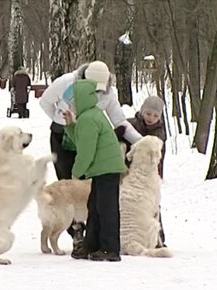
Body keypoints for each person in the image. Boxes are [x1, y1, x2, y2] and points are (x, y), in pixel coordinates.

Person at [39, 60, 143, 257]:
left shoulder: (96, 109)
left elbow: (116, 124)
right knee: (82, 197)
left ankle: (104, 245)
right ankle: (82, 238)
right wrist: (61, 120)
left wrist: (140, 141)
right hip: (65, 134)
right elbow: (45, 102)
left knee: (99, 202)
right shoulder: (67, 83)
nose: (97, 93)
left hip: (95, 149)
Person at [62, 79, 127, 261]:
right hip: (102, 169)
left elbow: (85, 152)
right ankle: (92, 245)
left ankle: (110, 249)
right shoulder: (89, 117)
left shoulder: (88, 119)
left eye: (70, 103)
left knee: (106, 209)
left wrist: (76, 173)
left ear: (78, 101)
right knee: (95, 207)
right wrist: (70, 126)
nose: (70, 107)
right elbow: (82, 140)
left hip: (107, 169)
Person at [115, 95, 168, 248]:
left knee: (152, 204)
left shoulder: (159, 132)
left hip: (147, 174)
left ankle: (158, 237)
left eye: (155, 115)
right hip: (126, 170)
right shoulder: (131, 124)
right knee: (125, 203)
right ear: (142, 111)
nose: (151, 118)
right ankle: (123, 235)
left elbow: (158, 156)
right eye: (148, 114)